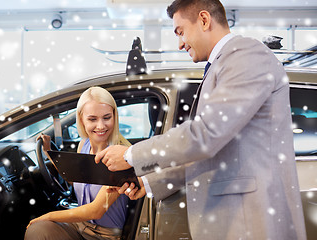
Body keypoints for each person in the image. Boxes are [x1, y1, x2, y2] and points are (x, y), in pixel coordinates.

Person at [95, 0, 307, 239]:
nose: (180, 44)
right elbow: (213, 153)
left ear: (204, 20)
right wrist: (151, 182)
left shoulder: (246, 55)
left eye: (181, 31)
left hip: (248, 222)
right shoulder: (222, 64)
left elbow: (205, 135)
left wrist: (129, 155)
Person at [25, 86, 131, 240]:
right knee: (38, 231)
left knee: (39, 228)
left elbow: (96, 211)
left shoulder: (120, 155)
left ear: (115, 116)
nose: (101, 126)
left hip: (104, 235)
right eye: (92, 119)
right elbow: (75, 180)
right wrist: (48, 152)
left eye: (107, 117)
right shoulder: (84, 144)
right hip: (80, 225)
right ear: (81, 119)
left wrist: (48, 216)